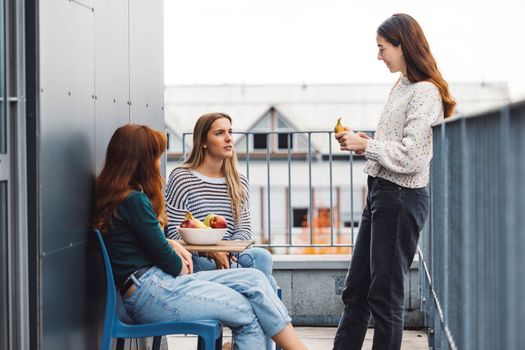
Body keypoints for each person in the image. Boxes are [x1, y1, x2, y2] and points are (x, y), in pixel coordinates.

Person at [92, 124, 307, 350]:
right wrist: (176, 253)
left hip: (152, 286)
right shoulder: (134, 201)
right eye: (156, 157)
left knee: (255, 278)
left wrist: (171, 243)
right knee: (247, 310)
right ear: (141, 160)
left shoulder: (119, 196)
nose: (158, 163)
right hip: (152, 291)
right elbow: (175, 266)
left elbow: (150, 244)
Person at [332, 13, 456, 350]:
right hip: (381, 193)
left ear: (403, 45)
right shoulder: (402, 84)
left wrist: (367, 145)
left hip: (401, 197)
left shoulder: (425, 92)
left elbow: (413, 156)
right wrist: (364, 144)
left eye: (382, 48)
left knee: (384, 296)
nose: (378, 56)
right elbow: (397, 144)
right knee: (356, 289)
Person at [165, 113, 278, 293]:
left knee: (262, 257)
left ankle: (243, 287)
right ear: (203, 141)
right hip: (197, 259)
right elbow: (174, 232)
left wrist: (226, 252)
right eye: (219, 133)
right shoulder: (182, 178)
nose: (228, 138)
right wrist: (211, 252)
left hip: (232, 257)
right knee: (265, 281)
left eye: (230, 132)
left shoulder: (239, 181)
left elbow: (244, 230)